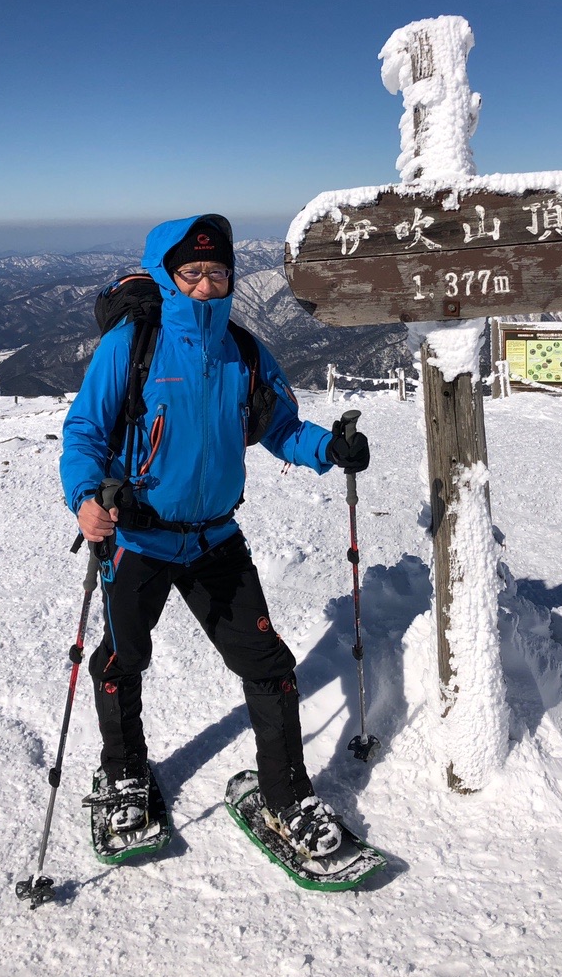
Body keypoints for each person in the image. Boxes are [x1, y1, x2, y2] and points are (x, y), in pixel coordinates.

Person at [60, 214, 369, 858]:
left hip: (214, 541)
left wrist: (328, 448)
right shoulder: (132, 345)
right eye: (192, 273)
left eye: (217, 272)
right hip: (136, 539)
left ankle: (288, 797)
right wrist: (87, 498)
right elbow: (86, 432)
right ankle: (124, 774)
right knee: (121, 661)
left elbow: (279, 426)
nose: (206, 285)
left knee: (270, 666)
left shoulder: (245, 352)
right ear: (169, 279)